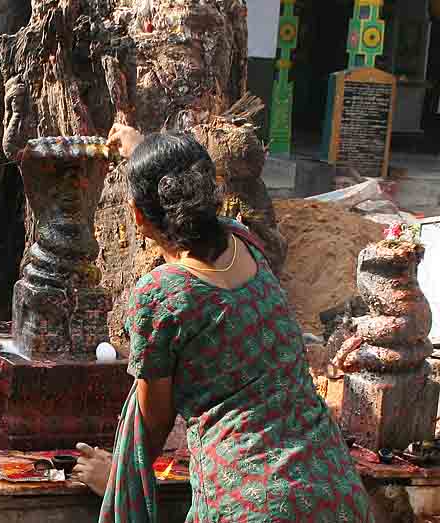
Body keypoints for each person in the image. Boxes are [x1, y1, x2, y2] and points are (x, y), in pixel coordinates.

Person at [72, 124, 375, 522]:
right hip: (336, 490)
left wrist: (118, 479)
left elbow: (153, 422)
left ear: (137, 217)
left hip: (251, 504)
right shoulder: (245, 242)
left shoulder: (159, 295)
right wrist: (142, 149)